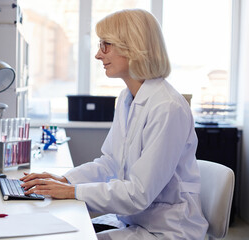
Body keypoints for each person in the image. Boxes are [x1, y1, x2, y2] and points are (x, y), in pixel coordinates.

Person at [21, 9, 208, 239]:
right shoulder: (127, 98)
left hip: (167, 229)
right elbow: (111, 163)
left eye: (106, 44)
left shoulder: (167, 107)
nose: (99, 55)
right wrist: (67, 180)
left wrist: (73, 191)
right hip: (135, 220)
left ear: (133, 46)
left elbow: (138, 194)